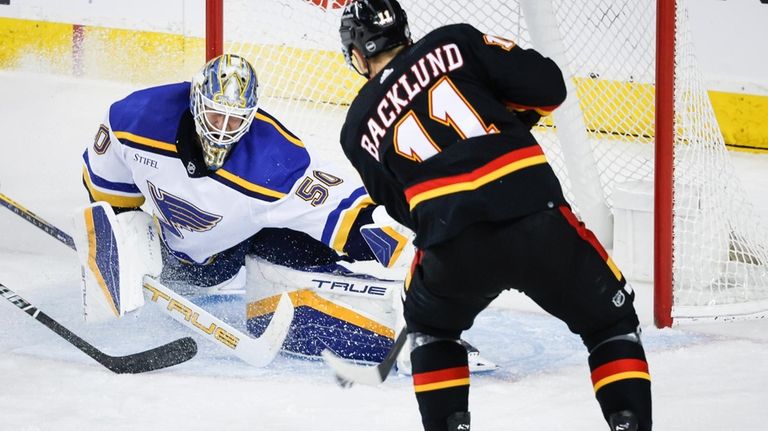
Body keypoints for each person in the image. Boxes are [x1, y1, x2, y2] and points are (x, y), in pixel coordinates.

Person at [337, 1, 652, 431]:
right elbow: (549, 87)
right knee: (609, 324)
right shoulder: (454, 42)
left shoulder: (356, 128)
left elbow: (407, 208)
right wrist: (508, 116)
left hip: (454, 247)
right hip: (535, 216)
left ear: (357, 56)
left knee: (431, 329)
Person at [76, 53, 492, 369]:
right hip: (181, 260)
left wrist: (414, 248)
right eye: (216, 114)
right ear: (195, 101)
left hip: (240, 246)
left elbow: (345, 216)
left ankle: (413, 337)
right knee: (127, 227)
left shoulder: (272, 161)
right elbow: (106, 187)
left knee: (296, 257)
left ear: (252, 116)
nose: (222, 129)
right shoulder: (135, 120)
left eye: (234, 118)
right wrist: (123, 245)